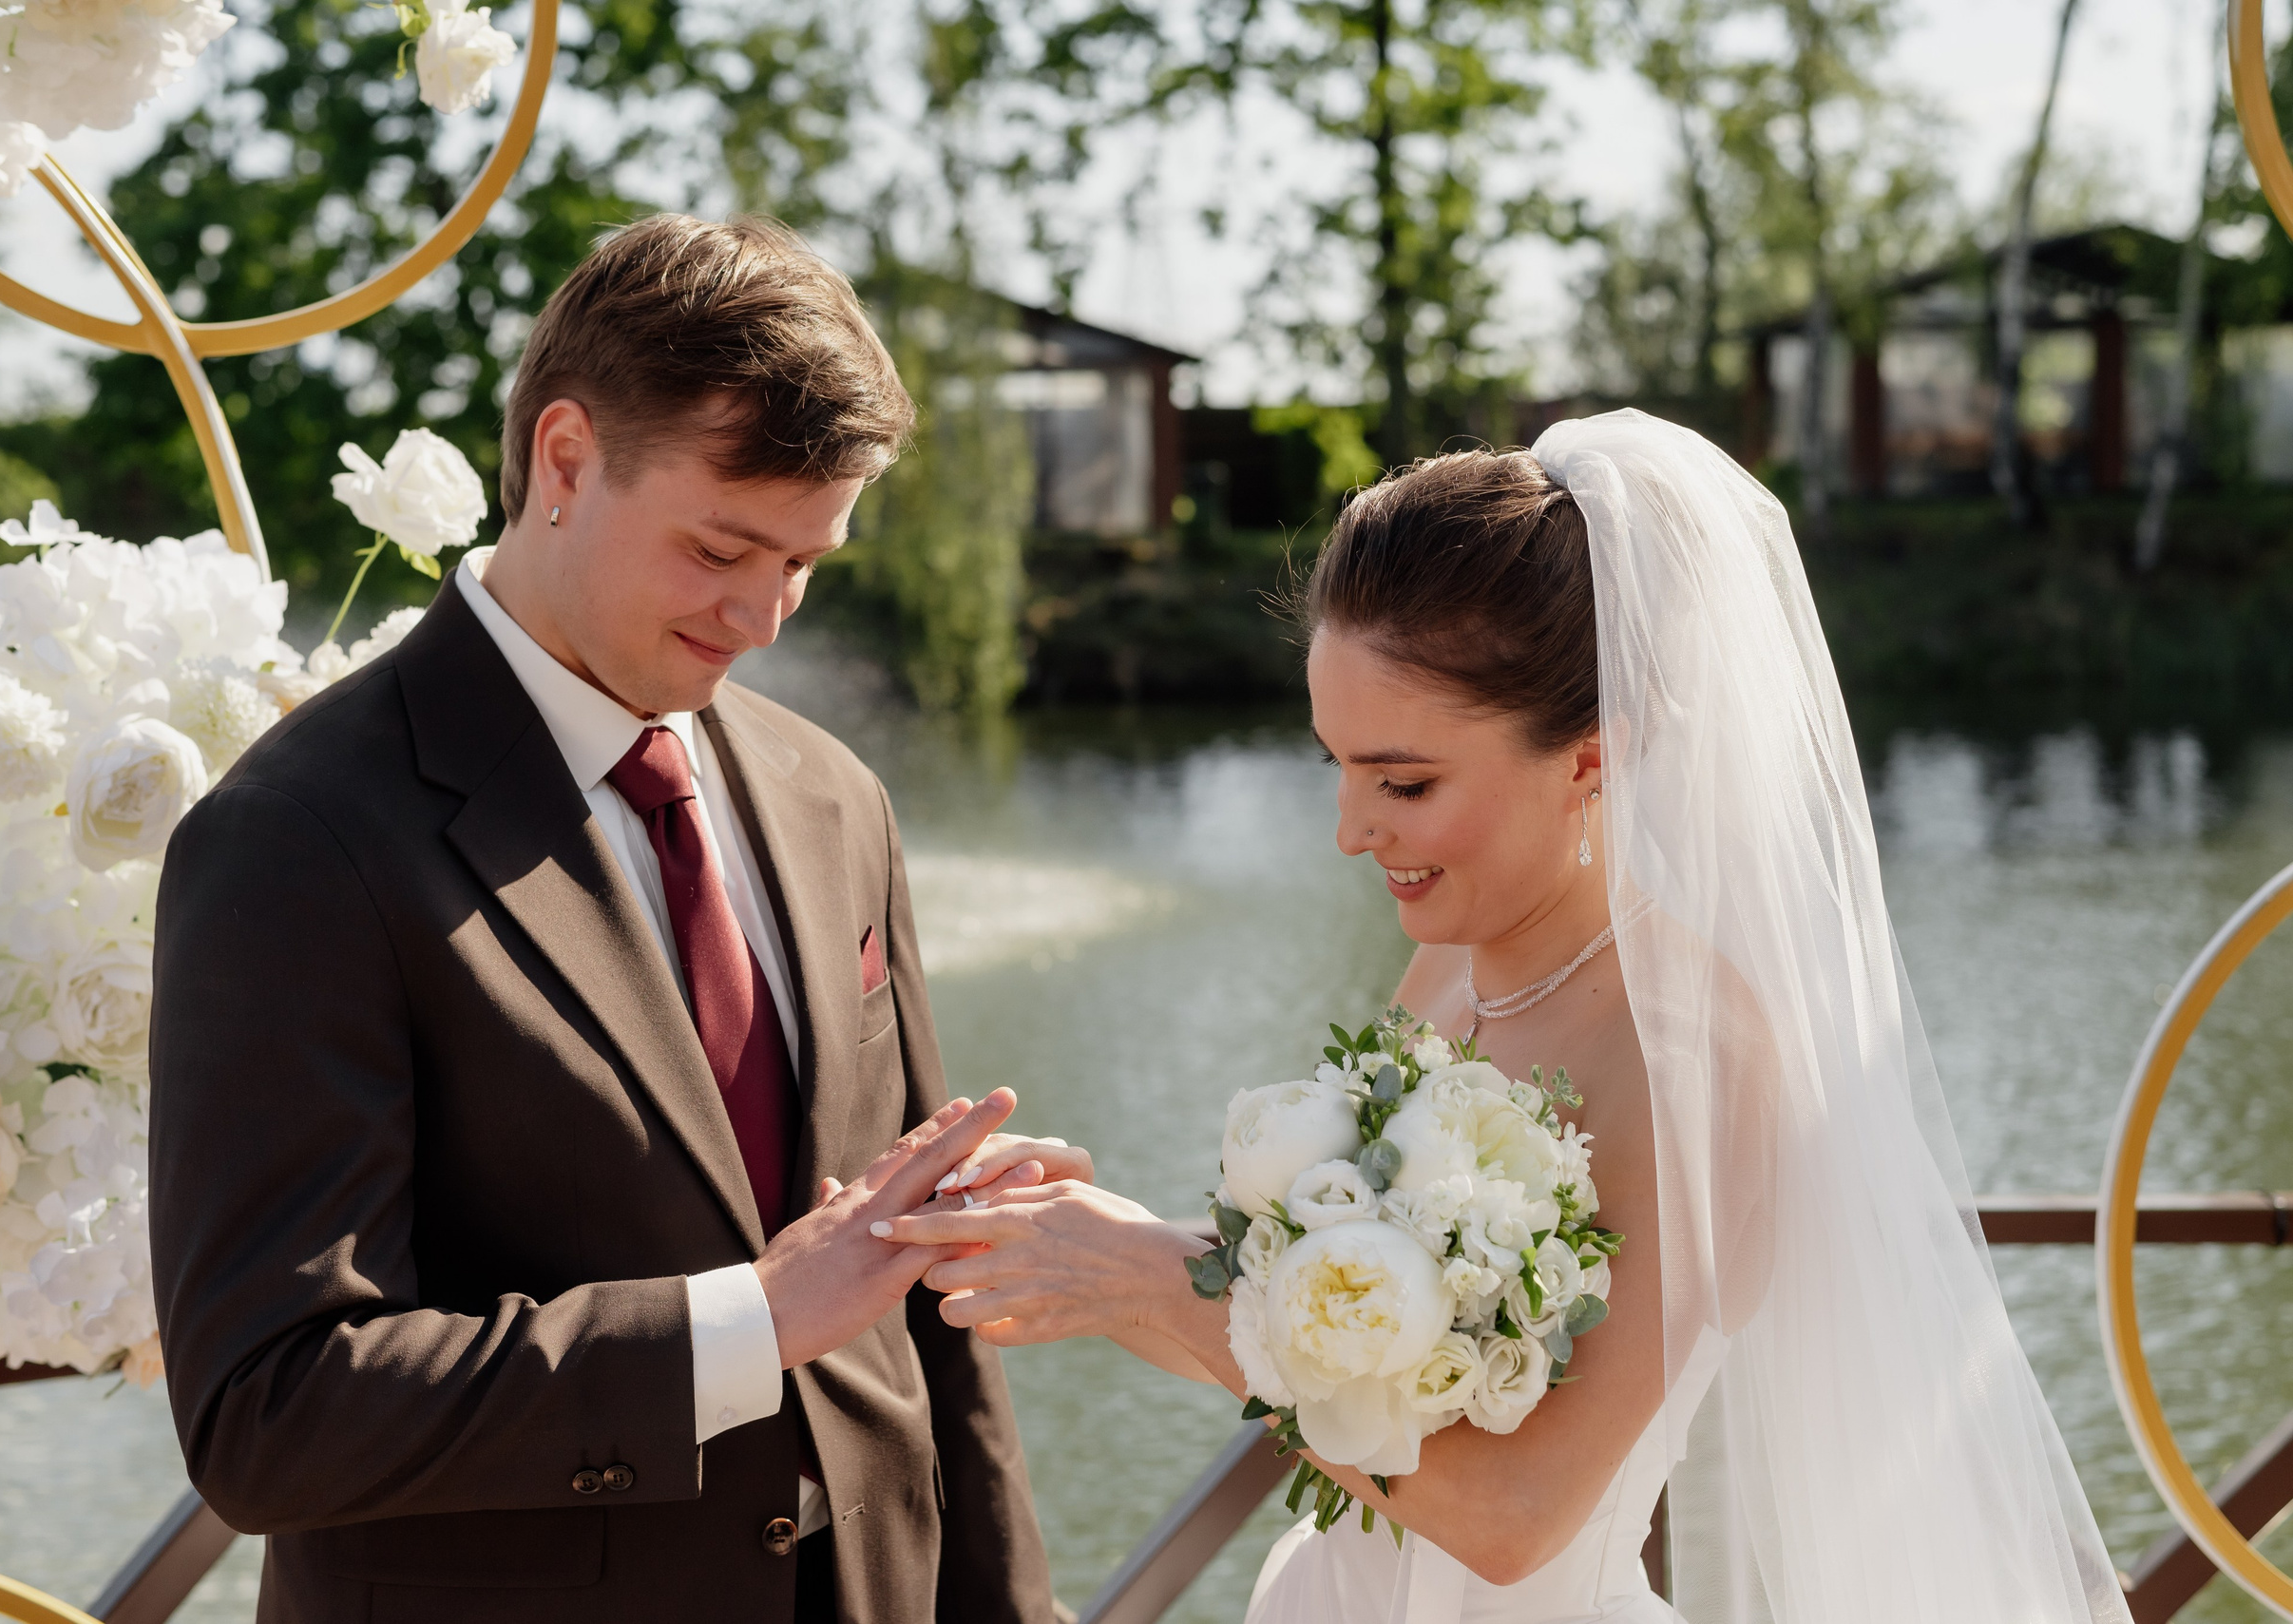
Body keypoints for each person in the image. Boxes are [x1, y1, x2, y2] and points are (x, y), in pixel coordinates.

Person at [882, 411, 2132, 1624]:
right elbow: (1323, 1379)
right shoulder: (1448, 972)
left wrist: (1163, 1281)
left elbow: (1520, 1509)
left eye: (1405, 780)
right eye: (1339, 762)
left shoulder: (1687, 1051)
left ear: (1594, 757)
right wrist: (1080, 1250)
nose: (1350, 830)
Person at [146, 213, 1057, 1624]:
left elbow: (922, 1296)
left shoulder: (834, 795)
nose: (762, 617)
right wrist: (745, 1324)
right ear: (564, 459)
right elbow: (272, 1409)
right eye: (721, 548)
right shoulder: (294, 840)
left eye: (806, 565)